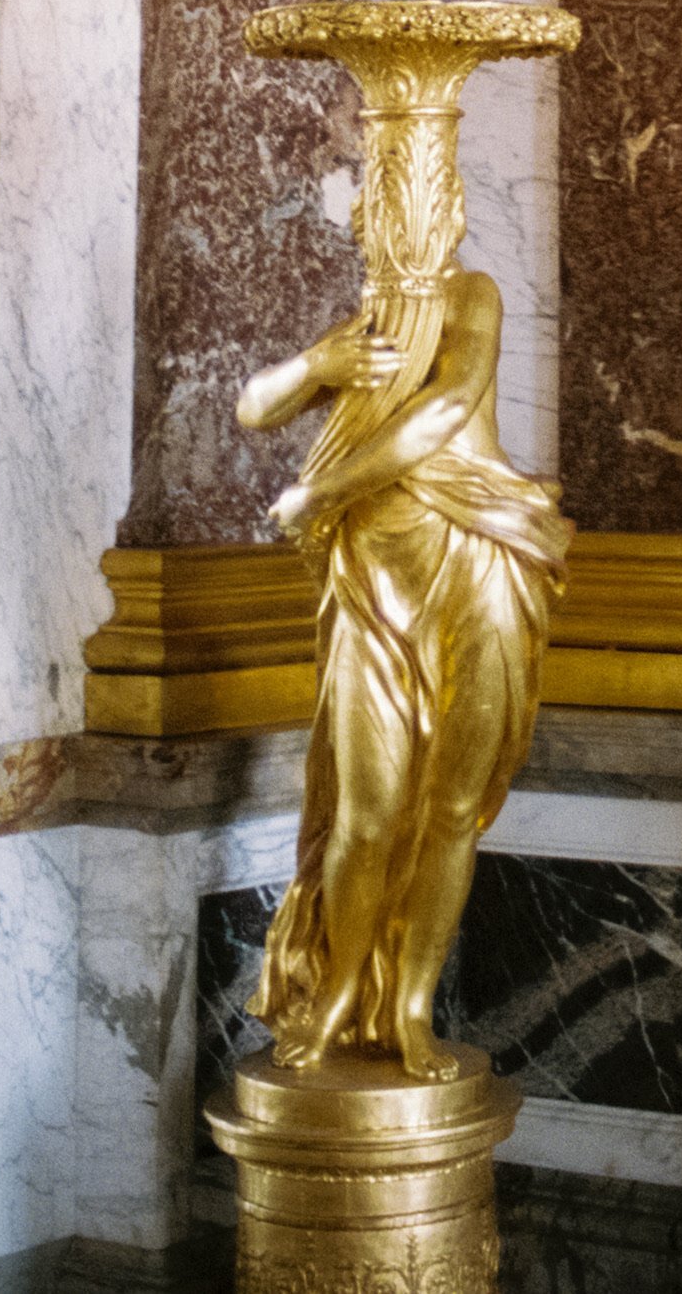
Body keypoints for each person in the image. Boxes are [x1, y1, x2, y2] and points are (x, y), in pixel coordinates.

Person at [238, 256, 569, 1074]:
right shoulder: (365, 324)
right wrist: (319, 364)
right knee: (367, 812)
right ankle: (341, 994)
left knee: (453, 808)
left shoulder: (473, 295)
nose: (398, 220)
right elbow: (253, 408)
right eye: (379, 208)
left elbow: (446, 407)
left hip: (476, 569)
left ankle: (412, 1006)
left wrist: (317, 494)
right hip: (373, 586)